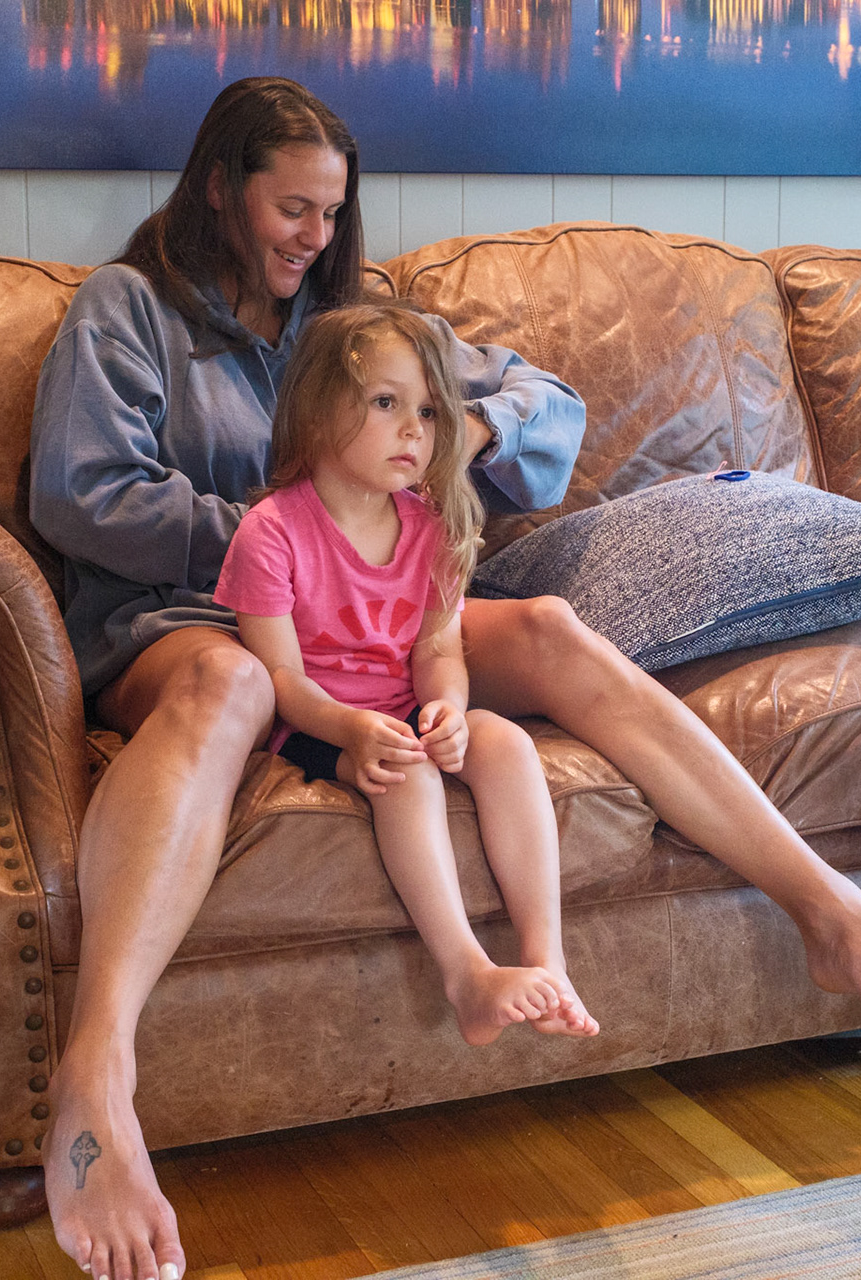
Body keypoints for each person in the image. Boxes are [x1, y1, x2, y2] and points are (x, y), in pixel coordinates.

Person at [30, 75, 861, 1280]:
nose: (315, 237)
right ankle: (96, 1070)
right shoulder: (127, 308)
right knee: (234, 688)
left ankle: (834, 913)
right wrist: (296, 537)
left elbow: (550, 407)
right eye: (292, 209)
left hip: (375, 614)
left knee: (557, 628)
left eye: (332, 212)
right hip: (190, 619)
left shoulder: (353, 322)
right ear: (220, 189)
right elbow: (82, 492)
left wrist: (458, 435)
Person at [214, 300, 600, 1047]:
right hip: (315, 724)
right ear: (318, 411)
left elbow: (437, 652)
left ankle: (546, 959)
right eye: (386, 403)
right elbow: (282, 683)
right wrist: (354, 729)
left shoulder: (433, 529)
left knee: (508, 744)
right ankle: (467, 976)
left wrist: (448, 710)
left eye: (427, 411)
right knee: (409, 776)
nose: (414, 430)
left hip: (403, 708)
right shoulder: (272, 532)